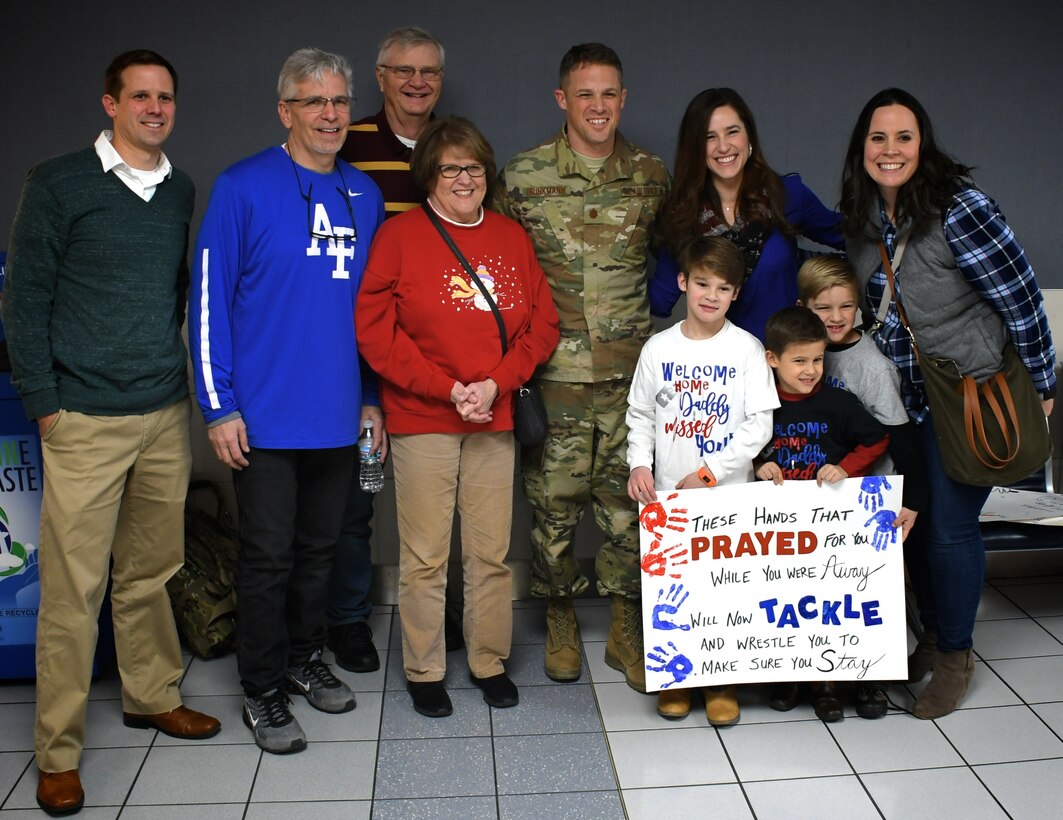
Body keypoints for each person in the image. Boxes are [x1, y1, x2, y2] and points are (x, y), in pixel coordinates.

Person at [3, 49, 220, 815]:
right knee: (72, 590)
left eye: (165, 96)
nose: (155, 108)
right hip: (83, 419)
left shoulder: (179, 189)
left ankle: (151, 695)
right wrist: (44, 401)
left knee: (151, 571)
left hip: (161, 412)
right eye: (140, 96)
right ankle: (57, 752)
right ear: (110, 104)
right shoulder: (58, 183)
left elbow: (173, 297)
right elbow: (24, 299)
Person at [189, 48, 384, 754]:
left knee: (320, 552)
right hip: (262, 420)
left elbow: (371, 315)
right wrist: (219, 407)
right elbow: (208, 302)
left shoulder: (364, 195)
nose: (330, 114)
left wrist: (368, 400)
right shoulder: (241, 187)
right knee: (267, 562)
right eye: (314, 102)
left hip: (338, 417)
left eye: (339, 101)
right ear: (285, 110)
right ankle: (263, 690)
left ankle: (306, 660)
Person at [840, 88, 1056, 719]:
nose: (890, 150)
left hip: (968, 396)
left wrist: (1043, 384)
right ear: (862, 147)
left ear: (922, 143)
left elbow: (1021, 299)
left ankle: (956, 655)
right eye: (878, 138)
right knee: (909, 531)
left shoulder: (962, 209)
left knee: (949, 529)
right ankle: (931, 637)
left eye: (903, 137)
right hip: (902, 406)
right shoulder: (858, 219)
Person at [356, 116, 559, 717]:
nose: (464, 178)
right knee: (423, 556)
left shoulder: (509, 237)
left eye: (473, 167)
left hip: (494, 418)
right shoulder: (398, 237)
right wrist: (447, 389)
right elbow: (374, 331)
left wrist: (496, 382)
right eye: (450, 168)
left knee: (491, 551)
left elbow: (540, 323)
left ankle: (488, 660)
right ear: (429, 176)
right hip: (423, 417)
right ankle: (424, 668)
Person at [493, 43, 669, 691]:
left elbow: (668, 257)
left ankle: (627, 622)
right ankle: (560, 616)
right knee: (554, 507)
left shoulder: (651, 175)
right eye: (584, 94)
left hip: (631, 382)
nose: (598, 106)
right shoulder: (524, 176)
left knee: (628, 508)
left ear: (623, 99)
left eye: (609, 93)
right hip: (554, 378)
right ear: (562, 99)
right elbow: (502, 271)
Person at [327, 26, 448, 675]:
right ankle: (348, 620)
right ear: (379, 77)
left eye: (427, 71)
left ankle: (441, 611)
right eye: (403, 70)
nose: (416, 82)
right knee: (355, 495)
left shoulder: (455, 146)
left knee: (441, 494)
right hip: (362, 352)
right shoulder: (345, 146)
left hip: (440, 359)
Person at [626, 236, 777, 724]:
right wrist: (639, 464)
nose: (711, 295)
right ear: (683, 282)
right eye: (703, 284)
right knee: (673, 587)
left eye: (724, 288)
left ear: (736, 294)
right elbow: (640, 414)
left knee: (722, 590)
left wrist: (711, 473)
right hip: (669, 494)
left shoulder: (747, 349)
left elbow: (760, 425)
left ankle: (721, 681)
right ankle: (677, 678)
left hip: (726, 494)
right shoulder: (658, 347)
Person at [797, 254, 928, 718]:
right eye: (822, 309)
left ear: (859, 308)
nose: (835, 318)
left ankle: (874, 680)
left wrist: (912, 501)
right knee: (823, 591)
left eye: (846, 307)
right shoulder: (800, 353)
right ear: (802, 307)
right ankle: (820, 680)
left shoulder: (871, 366)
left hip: (869, 496)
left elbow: (902, 435)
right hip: (818, 497)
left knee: (873, 590)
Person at [755, 306, 890, 722]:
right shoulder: (761, 403)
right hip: (780, 528)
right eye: (799, 361)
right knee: (787, 603)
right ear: (772, 359)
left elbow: (876, 439)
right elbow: (743, 448)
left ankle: (855, 680)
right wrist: (760, 463)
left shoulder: (838, 402)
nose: (810, 369)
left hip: (832, 524)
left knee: (835, 600)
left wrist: (847, 467)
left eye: (817, 359)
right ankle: (797, 676)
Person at [652, 87, 843, 341]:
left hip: (782, 365)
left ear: (748, 135)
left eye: (732, 132)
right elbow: (659, 301)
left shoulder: (786, 195)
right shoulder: (683, 215)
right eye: (710, 137)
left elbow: (851, 239)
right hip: (718, 369)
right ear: (696, 147)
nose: (723, 146)